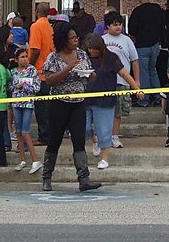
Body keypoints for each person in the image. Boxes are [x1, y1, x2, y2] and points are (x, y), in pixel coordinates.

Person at [39, 26, 101, 192]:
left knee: (79, 140)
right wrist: (68, 68)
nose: (76, 40)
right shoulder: (54, 57)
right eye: (72, 38)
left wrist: (89, 74)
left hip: (78, 102)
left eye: (76, 37)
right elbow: (49, 80)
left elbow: (91, 76)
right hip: (58, 103)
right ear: (63, 40)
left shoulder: (81, 54)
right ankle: (47, 177)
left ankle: (84, 178)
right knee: (55, 140)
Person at [83, 33, 139, 171]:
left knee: (104, 129)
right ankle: (95, 141)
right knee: (84, 127)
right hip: (86, 98)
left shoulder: (111, 58)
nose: (91, 51)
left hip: (105, 100)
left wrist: (136, 88)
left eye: (94, 48)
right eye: (89, 48)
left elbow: (124, 74)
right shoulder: (84, 57)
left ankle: (104, 158)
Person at [100, 11, 139, 150]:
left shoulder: (127, 40)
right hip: (105, 82)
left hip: (122, 81)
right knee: (105, 111)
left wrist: (136, 81)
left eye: (120, 24)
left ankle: (114, 136)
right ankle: (104, 137)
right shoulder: (102, 40)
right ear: (108, 26)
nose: (118, 27)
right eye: (115, 25)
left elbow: (134, 61)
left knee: (118, 112)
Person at [127, 0, 167, 106]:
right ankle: (158, 96)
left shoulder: (137, 11)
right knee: (152, 70)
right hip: (155, 45)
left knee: (143, 72)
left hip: (142, 45)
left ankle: (144, 99)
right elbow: (163, 27)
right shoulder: (157, 10)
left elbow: (132, 30)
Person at [9, 48, 42, 174]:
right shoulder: (13, 72)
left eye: (26, 56)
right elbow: (10, 87)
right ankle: (22, 159)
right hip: (16, 103)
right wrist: (15, 86)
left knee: (25, 131)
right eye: (22, 57)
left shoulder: (32, 70)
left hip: (27, 104)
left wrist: (25, 86)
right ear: (17, 59)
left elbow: (36, 87)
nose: (25, 59)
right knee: (18, 132)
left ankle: (35, 160)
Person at [27, 1, 55, 144]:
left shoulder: (36, 26)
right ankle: (49, 135)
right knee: (48, 108)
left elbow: (36, 49)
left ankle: (44, 136)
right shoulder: (50, 27)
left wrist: (29, 66)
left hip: (39, 71)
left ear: (37, 10)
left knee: (41, 108)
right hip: (49, 71)